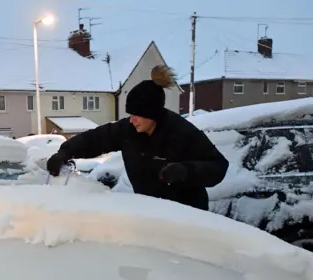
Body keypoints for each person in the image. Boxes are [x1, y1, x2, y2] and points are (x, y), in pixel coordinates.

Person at [46, 65, 229, 211]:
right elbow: (96, 139)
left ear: (153, 114)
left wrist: (185, 171)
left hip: (188, 217)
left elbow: (218, 166)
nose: (132, 119)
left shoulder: (182, 132)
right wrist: (65, 153)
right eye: (130, 113)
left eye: (137, 114)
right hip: (150, 212)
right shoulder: (128, 130)